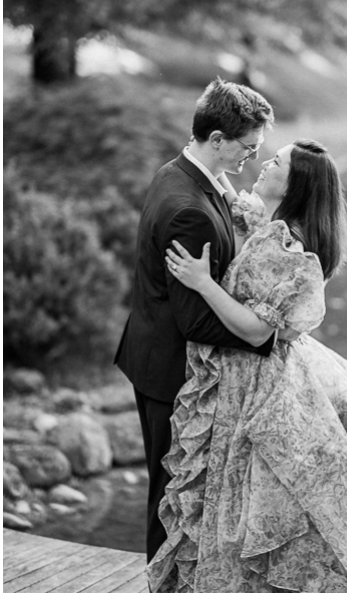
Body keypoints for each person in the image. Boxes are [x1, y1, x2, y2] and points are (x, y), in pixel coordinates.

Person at [149, 140, 347, 592]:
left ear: (293, 183)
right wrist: (208, 164)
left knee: (253, 503)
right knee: (244, 501)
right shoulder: (274, 226)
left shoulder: (287, 245)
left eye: (275, 162)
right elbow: (234, 203)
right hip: (252, 375)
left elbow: (259, 331)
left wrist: (203, 284)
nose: (264, 163)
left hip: (260, 384)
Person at [113, 78, 277, 561]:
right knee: (168, 499)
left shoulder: (178, 172)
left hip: (150, 353)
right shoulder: (190, 211)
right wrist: (266, 333)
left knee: (169, 493)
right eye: (247, 147)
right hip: (169, 371)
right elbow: (196, 323)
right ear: (218, 140)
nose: (251, 156)